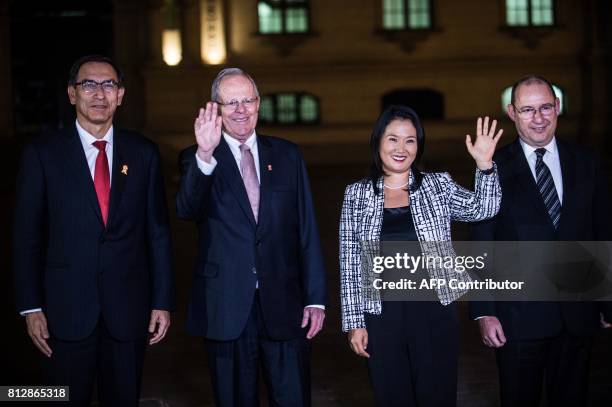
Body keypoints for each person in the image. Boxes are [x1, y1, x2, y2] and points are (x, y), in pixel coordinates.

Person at [13, 55, 175, 406]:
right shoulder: (42, 154)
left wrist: (162, 301)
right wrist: (30, 306)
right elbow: (27, 236)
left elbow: (157, 232)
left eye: (109, 85)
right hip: (64, 312)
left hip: (128, 312)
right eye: (89, 84)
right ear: (72, 94)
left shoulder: (144, 153)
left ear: (121, 95)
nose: (99, 93)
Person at [176, 67, 327, 406]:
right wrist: (204, 154)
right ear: (215, 108)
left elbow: (307, 229)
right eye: (231, 102)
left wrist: (315, 297)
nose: (241, 110)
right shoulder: (197, 157)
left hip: (286, 305)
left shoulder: (288, 155)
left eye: (247, 100)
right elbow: (187, 209)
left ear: (259, 104)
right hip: (226, 307)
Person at [340, 104, 502, 407]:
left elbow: (484, 208)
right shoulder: (356, 194)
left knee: (437, 396)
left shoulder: (437, 185)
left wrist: (485, 166)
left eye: (410, 140)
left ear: (419, 145)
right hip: (381, 317)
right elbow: (349, 262)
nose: (401, 148)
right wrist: (354, 323)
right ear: (378, 141)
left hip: (434, 313)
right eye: (393, 139)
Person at [469, 75, 612, 407]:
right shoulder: (492, 167)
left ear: (558, 108)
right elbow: (481, 243)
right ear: (512, 112)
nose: (539, 118)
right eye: (528, 109)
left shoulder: (586, 162)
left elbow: (601, 232)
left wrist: (605, 300)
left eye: (546, 107)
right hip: (518, 318)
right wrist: (484, 312)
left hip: (577, 315)